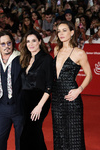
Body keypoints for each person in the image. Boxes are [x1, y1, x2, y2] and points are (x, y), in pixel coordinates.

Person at [52, 21, 92, 150]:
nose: (61, 33)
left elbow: (89, 75)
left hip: (72, 98)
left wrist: (78, 90)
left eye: (64, 30)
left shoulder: (79, 53)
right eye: (58, 31)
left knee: (74, 135)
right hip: (57, 97)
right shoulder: (56, 50)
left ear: (72, 32)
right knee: (60, 134)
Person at [0, 30, 24, 150]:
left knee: (21, 142)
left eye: (9, 43)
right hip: (1, 107)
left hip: (19, 107)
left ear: (13, 43)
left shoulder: (21, 58)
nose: (6, 46)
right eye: (3, 44)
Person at [19, 30, 53, 149]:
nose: (30, 44)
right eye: (28, 41)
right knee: (34, 133)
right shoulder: (25, 58)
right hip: (25, 101)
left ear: (39, 41)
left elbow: (50, 84)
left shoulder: (46, 59)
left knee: (28, 134)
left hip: (39, 100)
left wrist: (39, 106)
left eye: (34, 40)